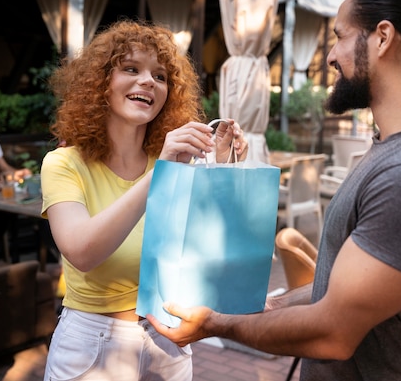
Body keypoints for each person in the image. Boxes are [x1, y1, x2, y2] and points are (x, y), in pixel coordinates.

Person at [146, 0, 401, 381]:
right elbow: (341, 285)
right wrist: (272, 307)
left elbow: (333, 332)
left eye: (340, 36)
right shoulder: (394, 148)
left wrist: (216, 325)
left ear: (382, 38)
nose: (330, 55)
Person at [40, 19, 247, 381]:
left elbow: (207, 247)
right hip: (93, 346)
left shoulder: (172, 162)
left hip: (168, 340)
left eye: (161, 76)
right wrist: (161, 174)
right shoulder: (63, 164)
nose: (148, 81)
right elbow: (82, 252)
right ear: (100, 83)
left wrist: (224, 167)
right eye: (130, 69)